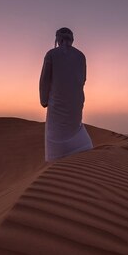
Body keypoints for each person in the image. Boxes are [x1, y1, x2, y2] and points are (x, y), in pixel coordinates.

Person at [39, 27, 93, 162]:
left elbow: (44, 80)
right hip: (75, 103)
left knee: (55, 135)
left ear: (58, 39)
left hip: (57, 103)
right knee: (74, 127)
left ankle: (57, 163)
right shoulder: (81, 56)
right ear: (72, 39)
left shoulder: (51, 54)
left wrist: (44, 100)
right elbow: (83, 79)